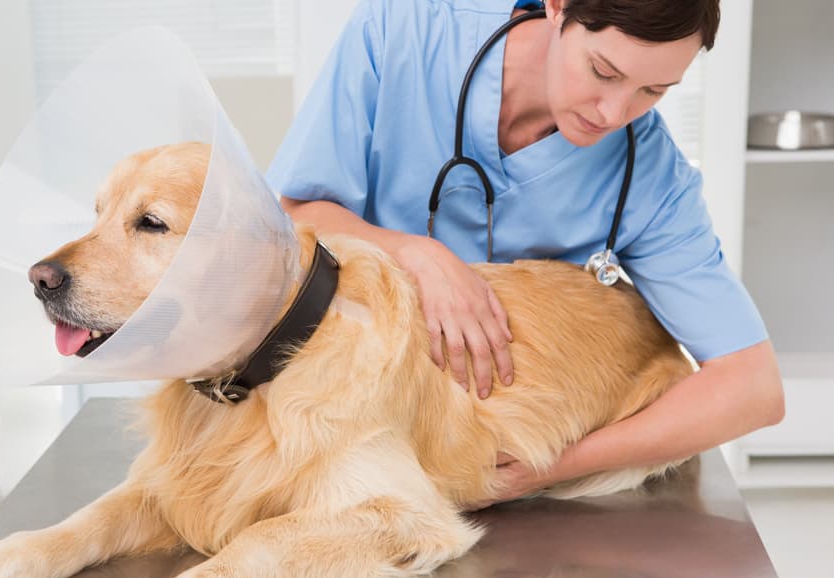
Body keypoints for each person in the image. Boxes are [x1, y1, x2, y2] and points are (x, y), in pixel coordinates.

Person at [265, 0, 784, 501]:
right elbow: (291, 219)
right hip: (350, 412)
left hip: (500, 452)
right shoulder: (406, 31)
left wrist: (551, 465)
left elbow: (753, 389)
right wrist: (417, 256)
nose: (614, 113)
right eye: (603, 72)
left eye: (652, 90)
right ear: (558, 6)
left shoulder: (650, 174)